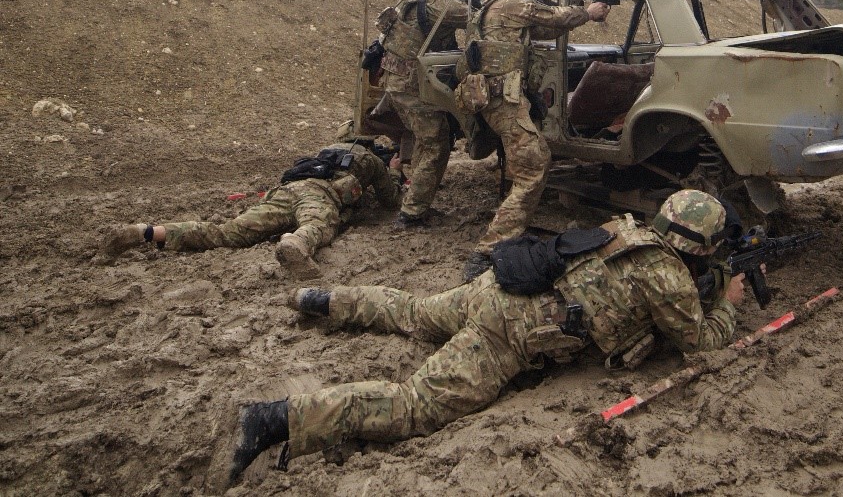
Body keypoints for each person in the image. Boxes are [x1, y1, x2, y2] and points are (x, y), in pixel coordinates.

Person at [210, 189, 748, 488]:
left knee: (414, 312)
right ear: (704, 246)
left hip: (495, 287)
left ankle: (319, 299)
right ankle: (273, 420)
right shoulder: (669, 277)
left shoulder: (624, 228)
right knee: (413, 407)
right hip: (508, 333)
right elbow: (699, 343)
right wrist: (728, 305)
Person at [458, 0, 609, 279]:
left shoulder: (489, 10)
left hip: (495, 97)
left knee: (526, 161)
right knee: (534, 164)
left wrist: (576, 14)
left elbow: (548, 29)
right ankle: (487, 251)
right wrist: (589, 12)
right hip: (504, 99)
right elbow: (553, 17)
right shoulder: (514, 3)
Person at [100, 141, 402, 279]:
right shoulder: (369, 161)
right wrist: (394, 171)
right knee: (318, 226)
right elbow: (391, 201)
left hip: (283, 192)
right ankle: (296, 244)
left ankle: (145, 231)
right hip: (318, 195)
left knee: (228, 232)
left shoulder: (329, 151)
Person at [376, 0, 490, 228]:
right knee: (436, 143)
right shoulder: (442, 5)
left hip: (400, 81)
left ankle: (415, 202)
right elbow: (484, 17)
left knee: (426, 142)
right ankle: (411, 214)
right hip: (411, 85)